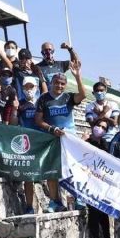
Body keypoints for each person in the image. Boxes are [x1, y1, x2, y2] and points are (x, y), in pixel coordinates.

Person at [35, 62, 87, 213]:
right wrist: (52, 129)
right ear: (51, 83)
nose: (59, 86)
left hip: (69, 138)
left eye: (63, 84)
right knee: (52, 170)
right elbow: (38, 120)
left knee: (73, 169)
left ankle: (77, 198)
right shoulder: (44, 99)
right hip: (52, 138)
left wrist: (78, 77)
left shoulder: (68, 97)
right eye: (57, 83)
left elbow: (83, 95)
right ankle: (54, 201)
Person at [9, 76, 43, 214]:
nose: (29, 89)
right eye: (26, 87)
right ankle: (29, 206)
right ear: (22, 88)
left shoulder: (42, 102)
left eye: (31, 86)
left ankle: (56, 201)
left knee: (51, 173)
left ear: (36, 88)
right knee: (28, 177)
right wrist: (15, 110)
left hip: (41, 142)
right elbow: (13, 124)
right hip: (26, 144)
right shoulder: (20, 103)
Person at [0, 31, 47, 101]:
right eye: (22, 60)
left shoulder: (37, 71)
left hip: (36, 105)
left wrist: (41, 103)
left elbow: (45, 90)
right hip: (22, 105)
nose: (24, 62)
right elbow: (2, 56)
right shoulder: (17, 70)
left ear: (31, 60)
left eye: (27, 59)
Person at [85, 122, 115, 238]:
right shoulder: (85, 141)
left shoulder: (105, 145)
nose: (101, 129)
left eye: (104, 127)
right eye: (99, 126)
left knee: (103, 210)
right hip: (88, 180)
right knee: (93, 210)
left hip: (101, 181)